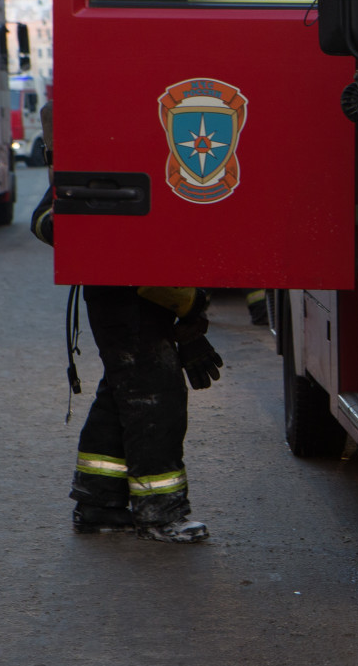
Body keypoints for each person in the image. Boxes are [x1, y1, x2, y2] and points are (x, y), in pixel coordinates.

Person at [31, 101, 221, 542]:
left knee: (123, 392)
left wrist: (192, 311)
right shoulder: (94, 165)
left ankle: (98, 504)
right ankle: (161, 513)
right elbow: (44, 220)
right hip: (123, 298)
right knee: (155, 398)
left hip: (145, 297)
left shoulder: (158, 154)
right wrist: (92, 229)